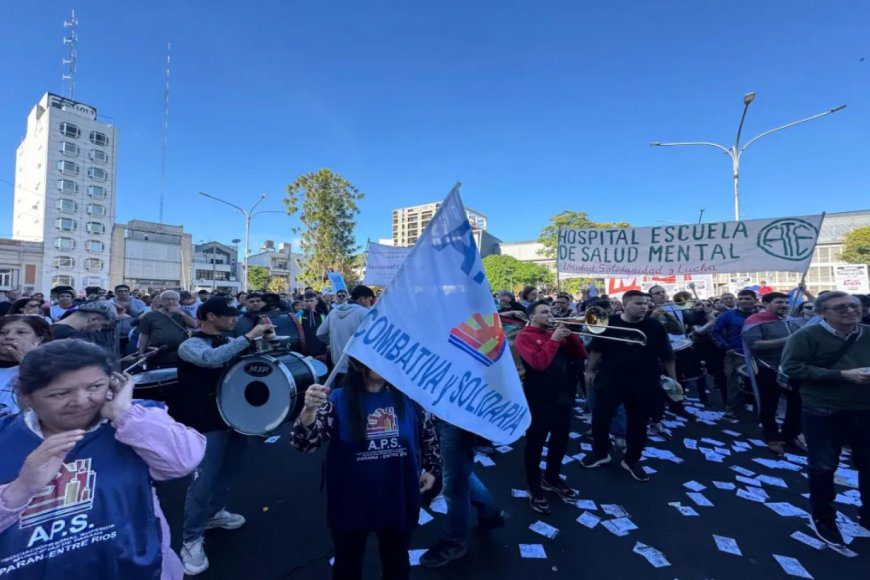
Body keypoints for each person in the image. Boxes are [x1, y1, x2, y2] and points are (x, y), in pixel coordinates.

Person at [0, 339, 205, 578]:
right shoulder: (6, 436)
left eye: (95, 387)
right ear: (26, 396)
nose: (81, 401)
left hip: (135, 566)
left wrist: (122, 413)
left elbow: (182, 462)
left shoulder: (133, 423)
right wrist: (21, 488)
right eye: (60, 393)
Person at [292, 359, 440, 580]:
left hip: (397, 495)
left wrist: (432, 468)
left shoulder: (410, 398)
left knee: (397, 563)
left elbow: (428, 435)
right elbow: (306, 444)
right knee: (347, 564)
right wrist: (309, 410)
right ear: (359, 362)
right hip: (351, 499)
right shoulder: (336, 400)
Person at [174, 298, 270, 575]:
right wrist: (249, 336)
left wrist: (262, 342)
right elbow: (212, 360)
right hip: (206, 423)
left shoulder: (226, 340)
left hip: (233, 419)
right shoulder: (190, 344)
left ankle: (214, 514)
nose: (234, 320)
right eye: (228, 315)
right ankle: (191, 538)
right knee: (204, 481)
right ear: (210, 316)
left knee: (228, 471)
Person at [781, 292, 870, 547]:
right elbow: (792, 367)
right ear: (822, 313)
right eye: (841, 307)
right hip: (824, 410)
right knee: (823, 466)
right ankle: (823, 516)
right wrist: (842, 375)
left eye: (854, 306)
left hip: (865, 408)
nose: (850, 311)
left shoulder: (867, 332)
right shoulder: (805, 336)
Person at [581, 290, 678, 482]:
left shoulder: (656, 326)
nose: (644, 306)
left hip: (644, 381)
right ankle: (601, 453)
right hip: (611, 379)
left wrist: (673, 380)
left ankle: (632, 459)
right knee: (601, 416)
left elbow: (667, 355)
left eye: (645, 303)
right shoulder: (609, 322)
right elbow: (596, 350)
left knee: (639, 421)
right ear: (624, 305)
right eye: (638, 303)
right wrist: (590, 371)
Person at [515, 301, 585, 513]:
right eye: (544, 312)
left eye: (550, 311)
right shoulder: (524, 337)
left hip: (563, 396)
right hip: (538, 398)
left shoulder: (555, 332)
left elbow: (580, 354)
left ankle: (552, 477)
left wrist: (570, 334)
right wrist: (553, 340)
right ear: (532, 316)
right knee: (535, 443)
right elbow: (538, 363)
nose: (550, 315)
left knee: (560, 440)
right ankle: (534, 485)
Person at [742, 292, 804, 454]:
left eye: (785, 302)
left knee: (797, 403)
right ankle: (772, 437)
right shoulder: (754, 321)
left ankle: (790, 435)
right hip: (767, 369)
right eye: (779, 302)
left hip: (792, 369)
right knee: (769, 404)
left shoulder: (790, 321)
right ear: (765, 304)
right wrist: (787, 341)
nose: (784, 305)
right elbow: (755, 345)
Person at [712, 289, 758, 418]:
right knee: (733, 382)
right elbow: (716, 332)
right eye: (741, 298)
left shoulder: (761, 315)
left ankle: (759, 409)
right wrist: (727, 347)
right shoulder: (727, 315)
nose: (743, 301)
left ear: (755, 300)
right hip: (736, 354)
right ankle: (732, 408)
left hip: (758, 355)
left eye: (747, 298)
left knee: (758, 383)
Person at [317, 285, 375, 384]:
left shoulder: (333, 312)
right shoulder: (366, 313)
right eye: (369, 300)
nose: (370, 304)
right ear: (361, 299)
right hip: (358, 367)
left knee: (339, 396)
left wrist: (332, 342)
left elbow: (320, 333)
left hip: (337, 366)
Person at [0, 316, 52, 416]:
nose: (9, 337)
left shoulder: (52, 368)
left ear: (39, 339)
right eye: (2, 333)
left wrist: (29, 361)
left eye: (21, 332)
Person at [137, 290, 198, 368]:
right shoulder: (150, 316)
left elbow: (195, 325)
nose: (171, 301)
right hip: (158, 354)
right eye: (167, 299)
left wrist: (180, 313)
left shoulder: (184, 313)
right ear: (161, 301)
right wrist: (141, 354)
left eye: (174, 299)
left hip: (180, 354)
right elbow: (143, 336)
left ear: (178, 301)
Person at [50, 301, 116, 344]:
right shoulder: (75, 339)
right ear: (94, 319)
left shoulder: (49, 329)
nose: (99, 329)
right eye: (103, 325)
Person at [297, 291, 327, 358]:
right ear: (303, 302)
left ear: (316, 301)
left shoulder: (321, 315)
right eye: (307, 301)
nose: (309, 303)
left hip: (320, 350)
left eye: (311, 301)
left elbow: (326, 332)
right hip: (304, 351)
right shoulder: (299, 315)